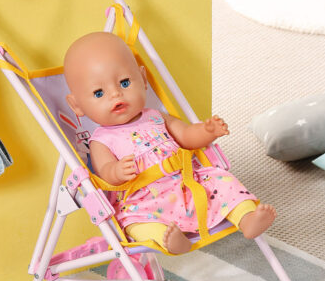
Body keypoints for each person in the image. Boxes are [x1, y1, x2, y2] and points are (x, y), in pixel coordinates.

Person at [64, 32, 276, 254]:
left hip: (190, 184)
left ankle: (247, 218)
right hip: (145, 202)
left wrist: (207, 132)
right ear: (77, 106)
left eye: (124, 83)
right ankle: (168, 240)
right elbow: (104, 173)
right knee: (134, 224)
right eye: (99, 93)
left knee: (223, 181)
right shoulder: (101, 140)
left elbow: (186, 136)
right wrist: (116, 171)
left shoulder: (156, 117)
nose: (116, 94)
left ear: (143, 79)